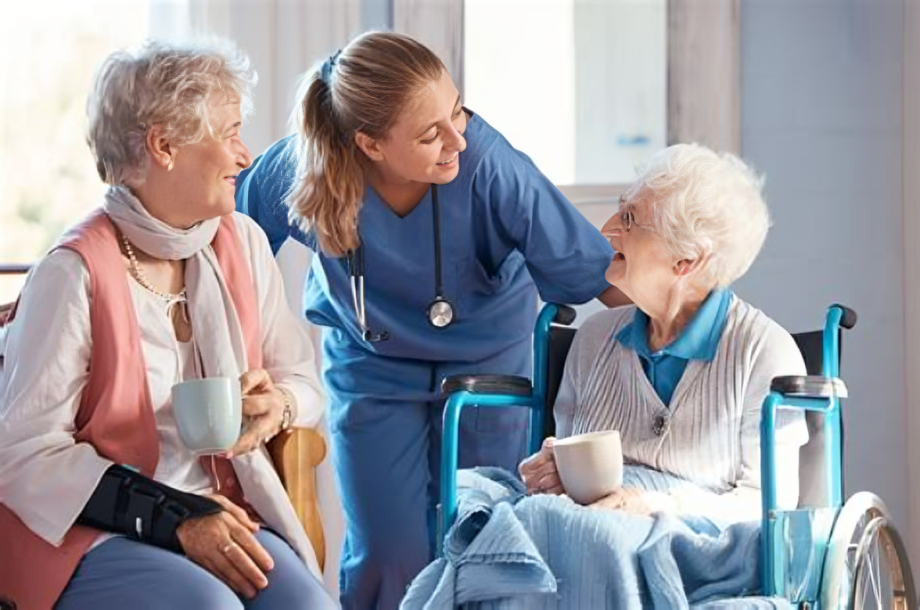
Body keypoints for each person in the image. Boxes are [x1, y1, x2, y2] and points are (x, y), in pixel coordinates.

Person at [235, 31, 629, 609]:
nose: (457, 139)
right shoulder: (301, 168)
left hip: (489, 366)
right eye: (429, 133)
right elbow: (229, 255)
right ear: (369, 144)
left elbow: (592, 272)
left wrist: (705, 328)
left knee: (480, 537)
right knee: (387, 551)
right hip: (370, 364)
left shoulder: (490, 165)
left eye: (457, 110)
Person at [0, 40, 337, 610]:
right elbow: (26, 454)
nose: (244, 155)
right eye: (229, 133)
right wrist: (173, 515)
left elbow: (303, 381)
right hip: (89, 532)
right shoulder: (72, 272)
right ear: (164, 146)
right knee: (209, 606)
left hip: (222, 509)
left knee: (307, 606)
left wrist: (274, 406)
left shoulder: (242, 243)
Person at [519, 144, 809, 526]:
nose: (607, 229)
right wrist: (557, 471)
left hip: (697, 553)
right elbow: (571, 489)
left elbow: (769, 507)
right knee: (479, 498)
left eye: (629, 218)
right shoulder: (593, 339)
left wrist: (656, 506)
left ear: (686, 259)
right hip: (588, 532)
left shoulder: (764, 353)